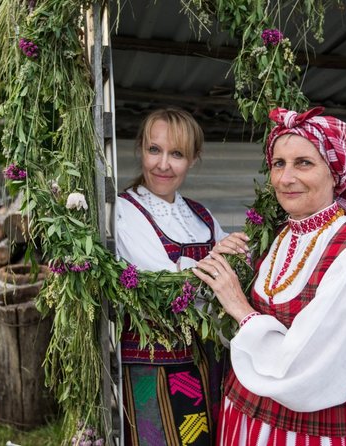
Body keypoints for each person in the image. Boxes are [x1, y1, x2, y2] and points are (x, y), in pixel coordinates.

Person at [192, 107, 346, 446]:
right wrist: (231, 263)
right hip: (244, 418)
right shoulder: (277, 237)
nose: (285, 178)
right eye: (279, 164)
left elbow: (314, 365)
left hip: (307, 434)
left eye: (304, 162)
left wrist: (240, 306)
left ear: (335, 173)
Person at [116, 107, 228, 446]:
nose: (163, 164)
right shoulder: (124, 210)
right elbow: (161, 282)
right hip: (152, 367)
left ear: (193, 159)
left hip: (204, 361)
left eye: (176, 154)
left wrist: (222, 264)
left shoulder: (200, 214)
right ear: (140, 149)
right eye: (154, 150)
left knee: (203, 438)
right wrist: (216, 263)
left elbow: (233, 278)